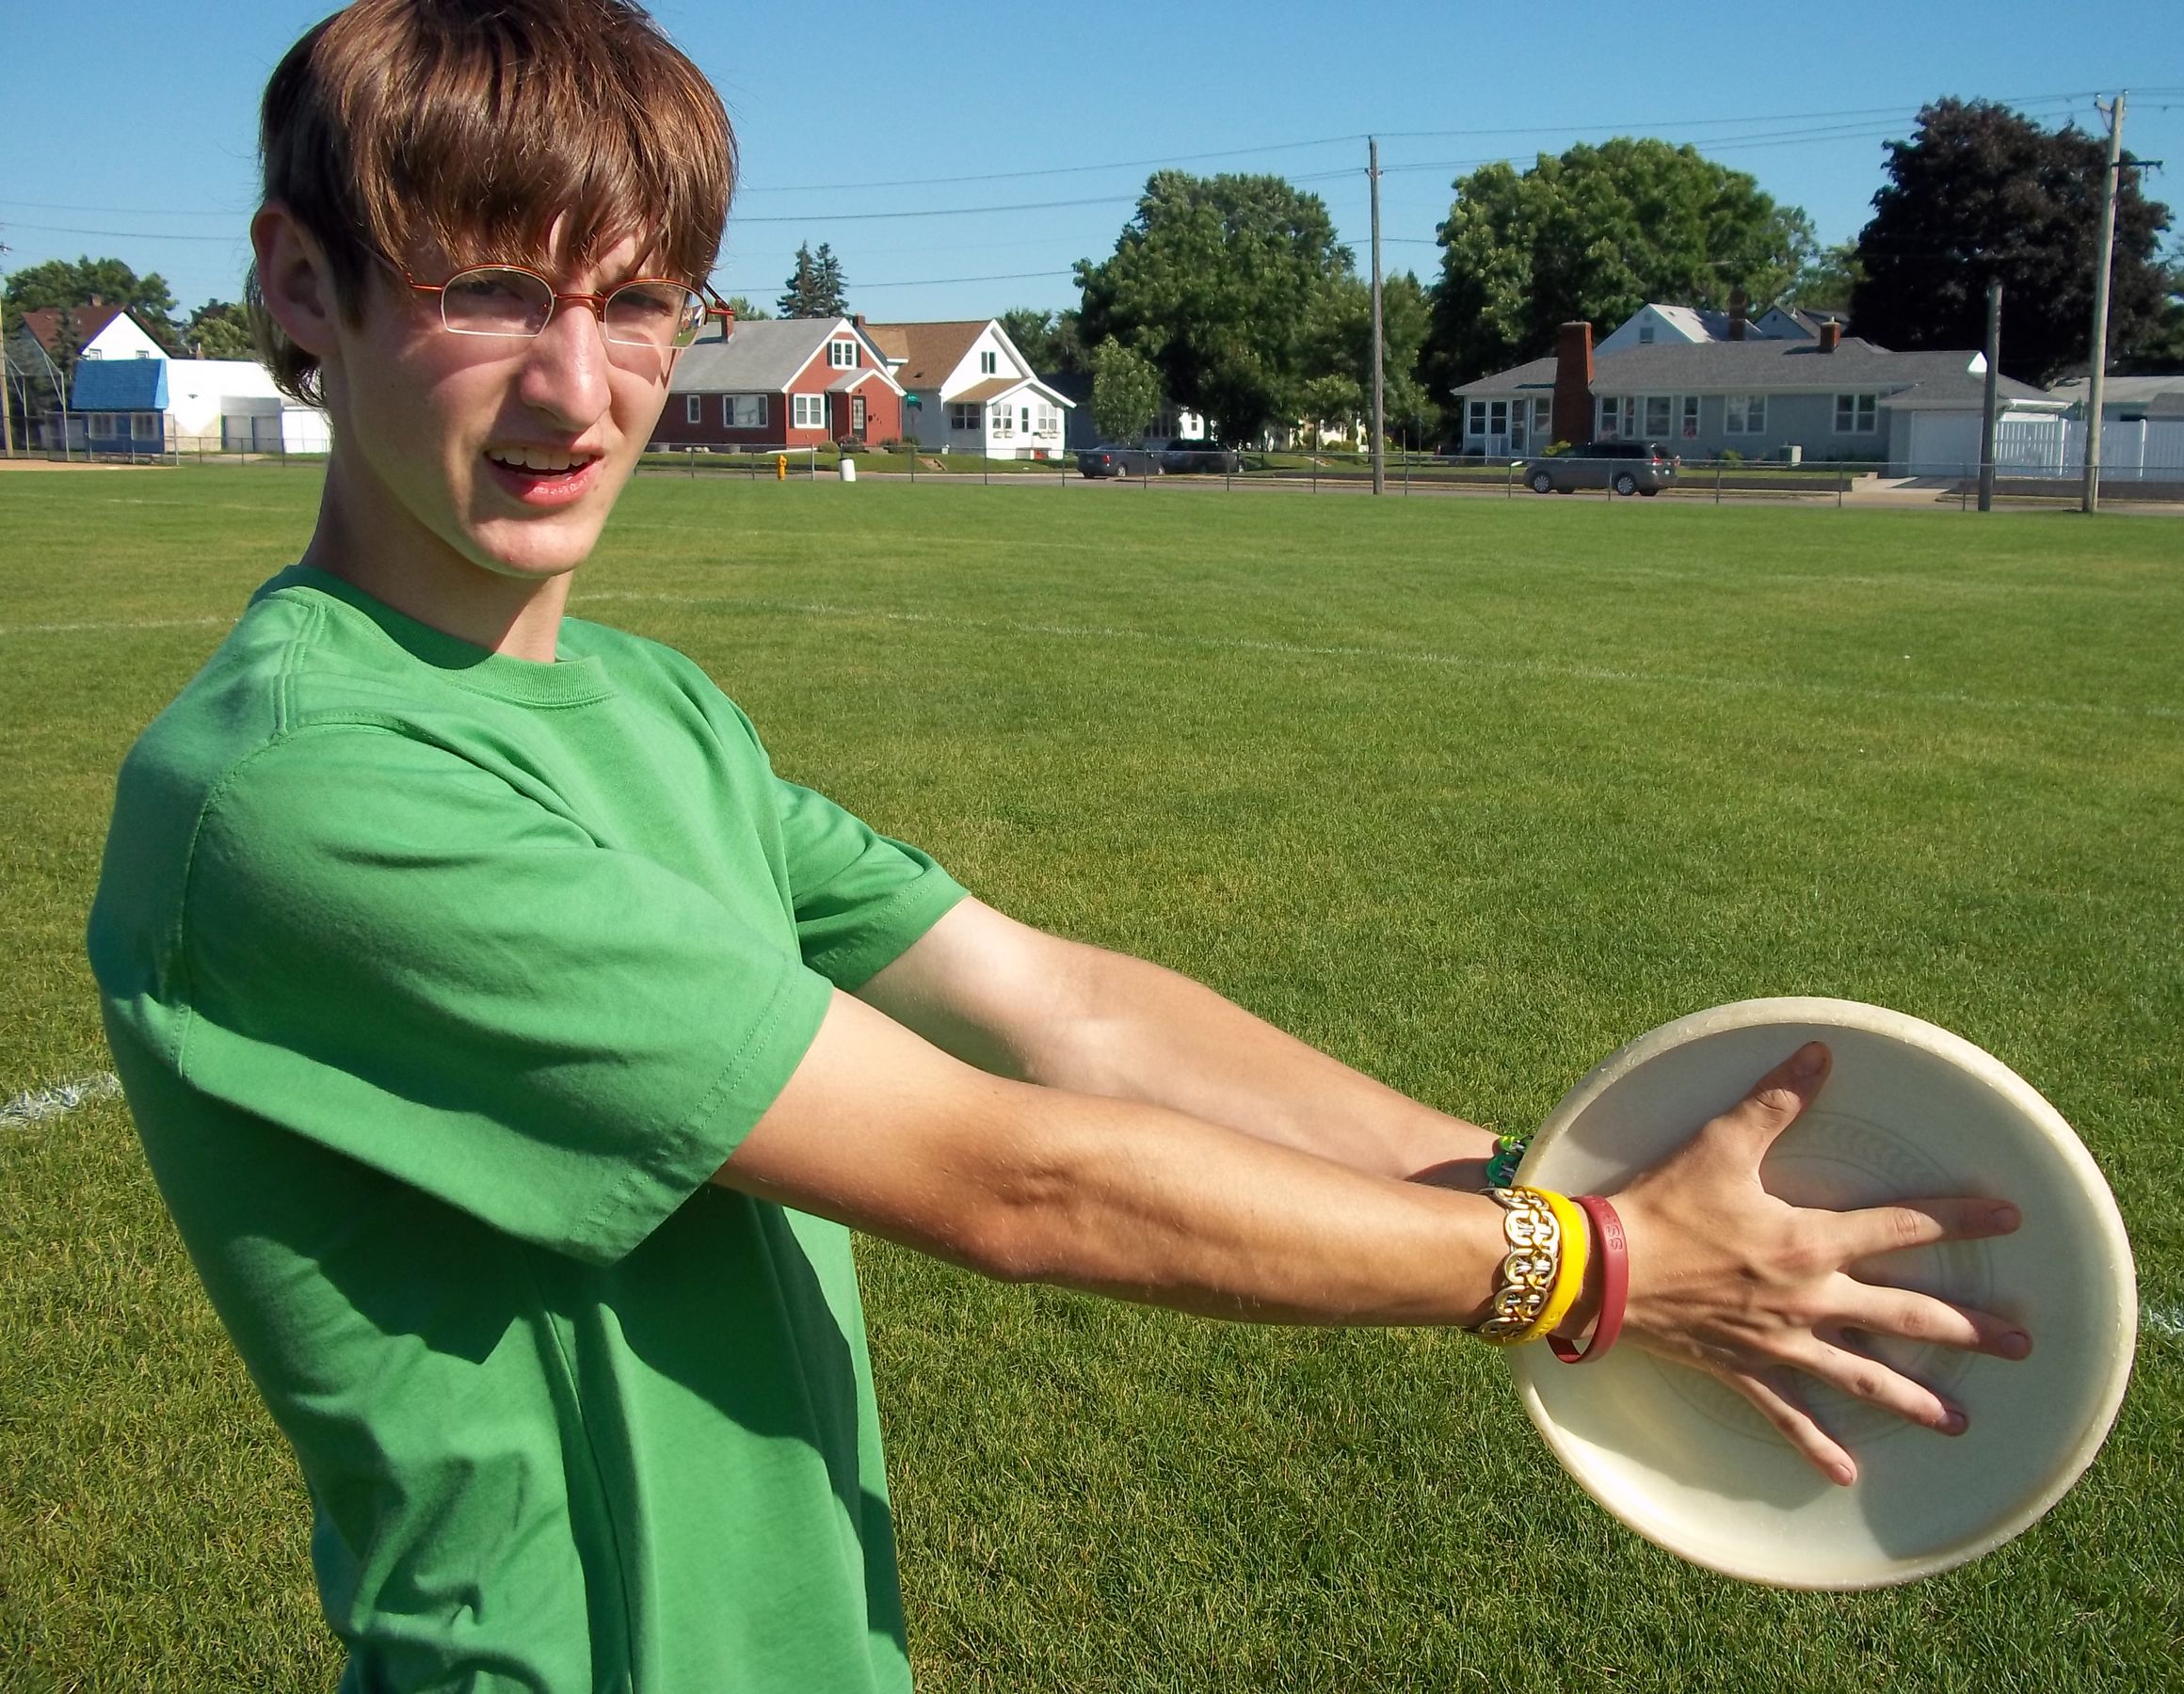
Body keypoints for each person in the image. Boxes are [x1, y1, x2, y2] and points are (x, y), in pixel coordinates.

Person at [86, 3, 2030, 1688]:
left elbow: (1066, 1011)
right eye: (490, 290)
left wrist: (1559, 1184)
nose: (579, 390)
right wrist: (1583, 1271)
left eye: (636, 302)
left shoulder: (652, 707)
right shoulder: (299, 789)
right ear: (299, 285)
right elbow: (1002, 1176)